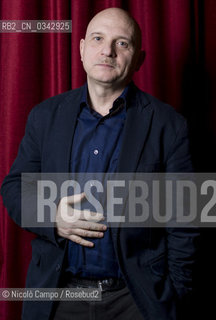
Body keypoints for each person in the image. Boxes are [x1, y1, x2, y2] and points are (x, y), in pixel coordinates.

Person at [1, 7, 199, 320]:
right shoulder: (45, 116)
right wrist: (52, 217)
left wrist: (175, 293)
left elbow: (185, 218)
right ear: (81, 49)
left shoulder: (168, 125)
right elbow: (14, 187)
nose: (107, 50)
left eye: (123, 43)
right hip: (59, 295)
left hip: (135, 300)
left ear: (138, 59)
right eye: (98, 39)